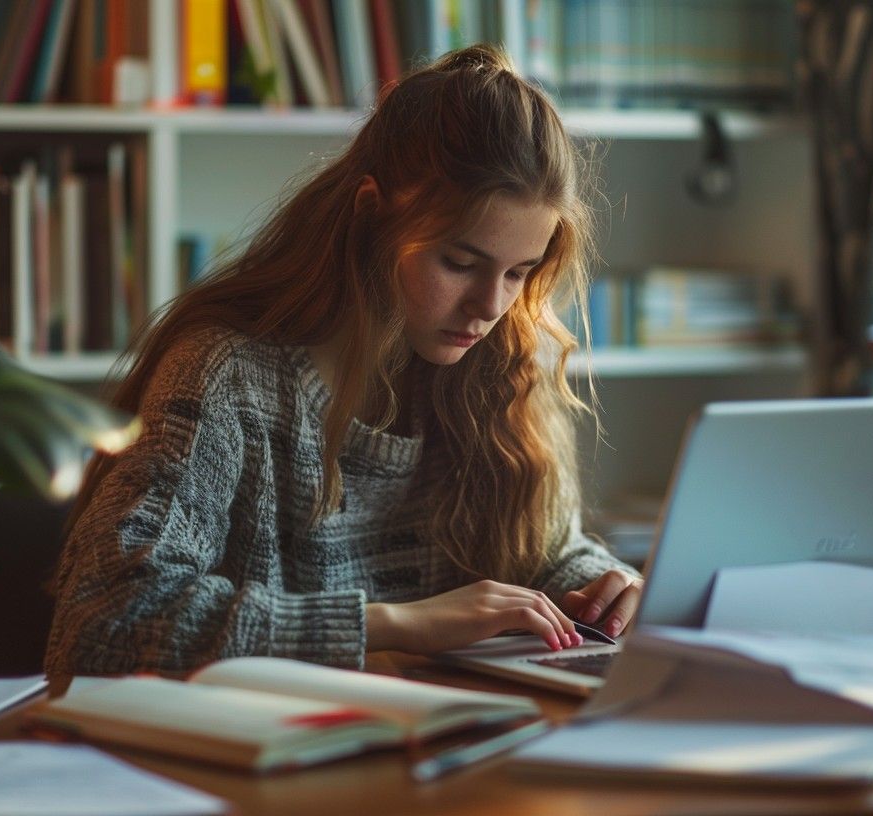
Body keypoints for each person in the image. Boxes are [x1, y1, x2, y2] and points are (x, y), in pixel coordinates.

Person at [43, 45, 642, 680]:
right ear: (370, 217)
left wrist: (603, 593)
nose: (489, 306)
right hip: (261, 760)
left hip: (447, 748)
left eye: (519, 273)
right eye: (459, 263)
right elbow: (102, 621)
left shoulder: (498, 370)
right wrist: (396, 624)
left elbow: (543, 555)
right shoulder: (226, 378)